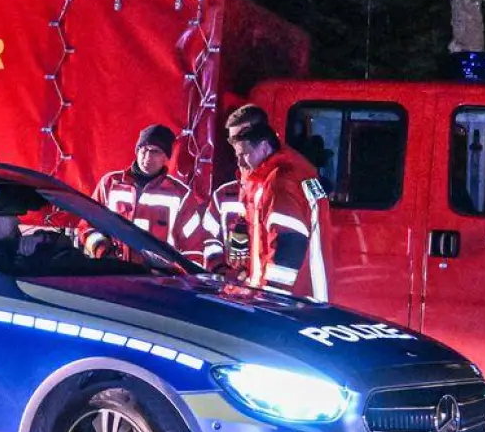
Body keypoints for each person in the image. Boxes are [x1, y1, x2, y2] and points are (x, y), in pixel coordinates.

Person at [227, 118, 331, 300]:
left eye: (244, 154)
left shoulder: (280, 182)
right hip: (307, 291)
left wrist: (272, 296)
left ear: (264, 147)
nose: (240, 162)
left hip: (295, 299)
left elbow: (289, 245)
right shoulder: (296, 173)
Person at [80, 124, 203, 262]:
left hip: (159, 280)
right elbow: (87, 225)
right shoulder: (109, 184)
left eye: (155, 151)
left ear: (166, 157)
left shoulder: (181, 195)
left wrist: (183, 278)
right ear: (137, 151)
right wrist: (102, 250)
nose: (148, 156)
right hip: (114, 273)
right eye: (144, 149)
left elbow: (194, 246)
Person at [201, 104, 267, 275]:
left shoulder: (276, 189)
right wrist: (220, 270)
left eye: (241, 137)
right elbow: (208, 237)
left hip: (263, 293)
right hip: (229, 292)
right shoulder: (223, 195)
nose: (236, 146)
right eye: (232, 140)